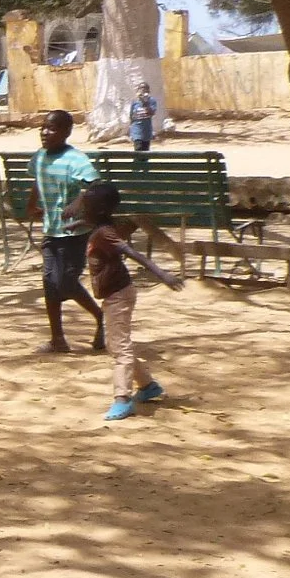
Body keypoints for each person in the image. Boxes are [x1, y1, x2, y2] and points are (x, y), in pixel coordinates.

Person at [78, 179, 182, 421]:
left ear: (100, 211)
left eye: (87, 207)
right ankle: (147, 386)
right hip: (114, 294)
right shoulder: (100, 227)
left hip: (118, 295)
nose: (83, 210)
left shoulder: (106, 233)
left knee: (120, 348)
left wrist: (162, 274)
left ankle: (122, 399)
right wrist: (77, 222)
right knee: (117, 345)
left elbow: (132, 253)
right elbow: (92, 224)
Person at [31, 109, 104, 354]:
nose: (45, 132)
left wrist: (78, 202)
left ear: (66, 132)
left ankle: (100, 316)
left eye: (52, 129)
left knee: (65, 281)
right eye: (43, 127)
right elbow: (37, 181)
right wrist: (32, 203)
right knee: (49, 283)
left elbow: (94, 184)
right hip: (51, 230)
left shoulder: (76, 159)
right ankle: (57, 338)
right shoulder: (39, 157)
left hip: (74, 232)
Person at [128, 81, 158, 155]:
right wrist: (131, 131)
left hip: (146, 131)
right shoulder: (134, 102)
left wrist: (145, 103)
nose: (143, 90)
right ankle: (137, 166)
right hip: (137, 131)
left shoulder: (152, 101)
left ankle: (144, 166)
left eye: (145, 89)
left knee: (145, 153)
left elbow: (152, 113)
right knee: (138, 150)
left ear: (148, 91)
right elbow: (131, 116)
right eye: (141, 88)